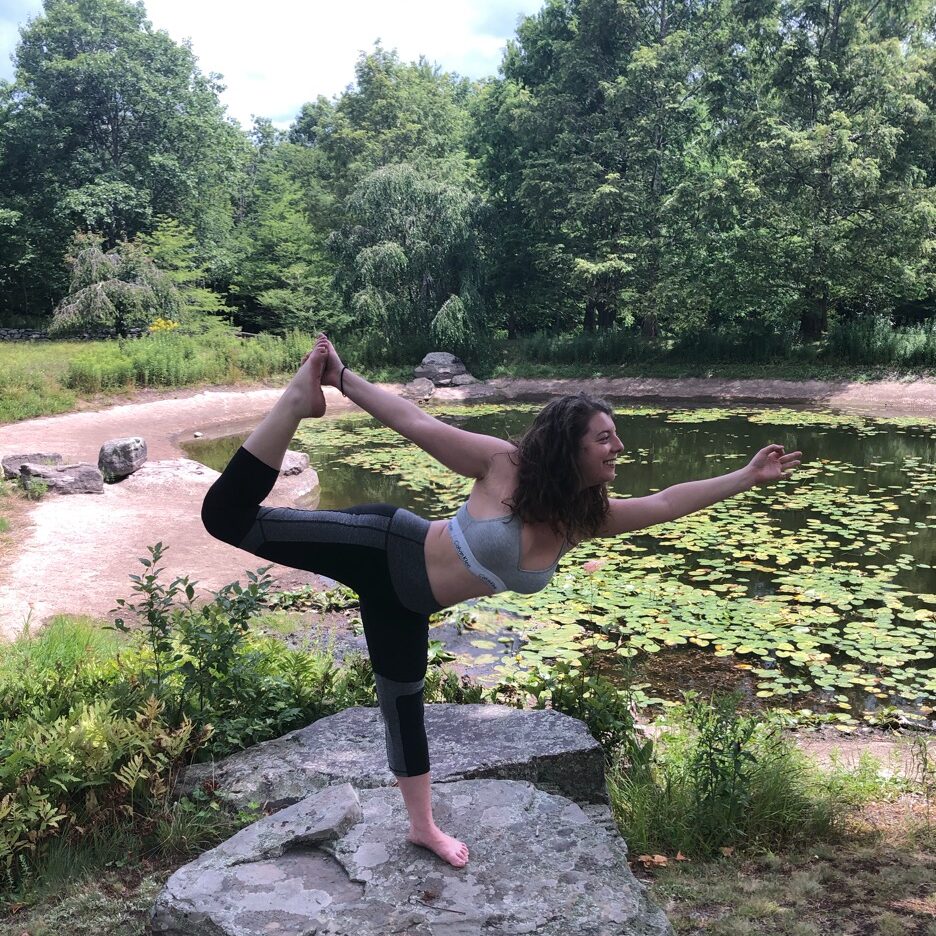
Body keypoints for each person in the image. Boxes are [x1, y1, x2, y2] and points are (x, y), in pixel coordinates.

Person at [201, 334, 803, 868]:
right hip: (383, 546)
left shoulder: (582, 519)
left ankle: (422, 828)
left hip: (406, 606)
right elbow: (414, 422)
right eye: (604, 437)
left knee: (403, 706)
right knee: (226, 517)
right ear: (569, 446)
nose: (619, 446)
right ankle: (295, 402)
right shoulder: (502, 464)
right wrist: (340, 378)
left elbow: (667, 501)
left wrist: (745, 477)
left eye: (615, 436)